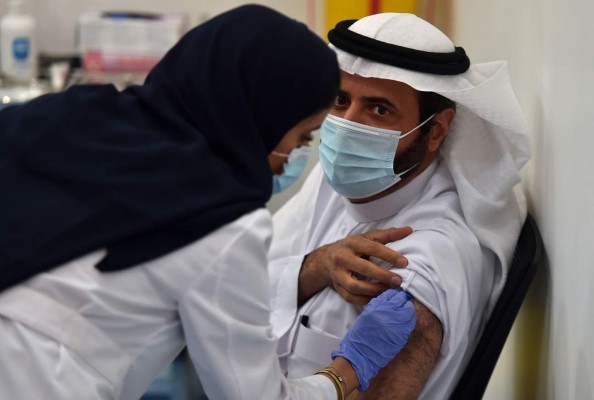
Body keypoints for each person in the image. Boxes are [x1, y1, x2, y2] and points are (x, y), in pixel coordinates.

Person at [0, 5, 418, 400]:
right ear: (260, 118)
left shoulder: (64, 115)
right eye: (302, 136)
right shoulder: (219, 223)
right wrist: (348, 370)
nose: (294, 154)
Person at [268, 12, 531, 399]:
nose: (348, 125)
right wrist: (318, 266)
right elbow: (244, 284)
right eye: (341, 100)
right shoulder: (330, 180)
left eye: (379, 109)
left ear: (436, 130)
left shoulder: (427, 256)